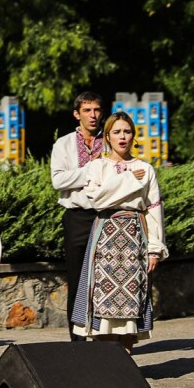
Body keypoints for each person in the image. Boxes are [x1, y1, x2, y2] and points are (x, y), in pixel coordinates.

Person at [70, 112, 166, 350]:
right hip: (106, 235)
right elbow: (98, 200)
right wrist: (130, 180)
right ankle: (106, 362)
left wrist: (155, 249)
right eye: (117, 132)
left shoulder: (145, 168)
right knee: (103, 297)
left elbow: (154, 210)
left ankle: (125, 362)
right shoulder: (97, 166)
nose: (122, 137)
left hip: (135, 235)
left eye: (127, 131)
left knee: (131, 301)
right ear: (108, 137)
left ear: (133, 135)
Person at [50, 91, 105, 341]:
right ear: (77, 114)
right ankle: (77, 339)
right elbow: (58, 179)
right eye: (87, 110)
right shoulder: (63, 143)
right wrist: (92, 171)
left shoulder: (111, 139)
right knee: (77, 278)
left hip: (107, 216)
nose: (93, 115)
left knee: (105, 277)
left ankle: (104, 336)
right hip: (77, 217)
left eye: (96, 110)